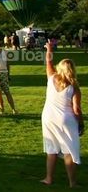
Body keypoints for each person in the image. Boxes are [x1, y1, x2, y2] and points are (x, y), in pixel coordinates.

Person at [41, 42, 83, 187]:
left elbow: (48, 61)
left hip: (48, 117)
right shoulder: (74, 87)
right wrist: (81, 123)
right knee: (69, 150)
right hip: (66, 119)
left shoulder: (52, 78)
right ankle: (72, 183)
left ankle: (48, 178)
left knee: (51, 150)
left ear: (60, 68)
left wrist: (49, 49)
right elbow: (76, 109)